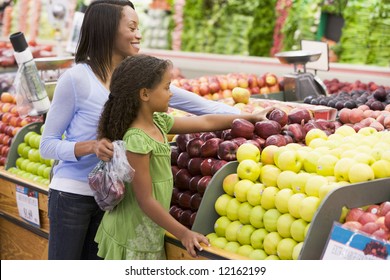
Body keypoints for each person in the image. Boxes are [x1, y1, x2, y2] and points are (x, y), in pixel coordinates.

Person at [40, 0, 239, 260]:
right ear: (107, 30)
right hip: (74, 196)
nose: (139, 34)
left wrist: (249, 118)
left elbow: (201, 108)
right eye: (132, 27)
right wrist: (90, 147)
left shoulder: (134, 78)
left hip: (115, 201)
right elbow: (48, 145)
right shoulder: (76, 79)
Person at [94, 54, 272, 260]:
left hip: (149, 227)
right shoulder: (137, 140)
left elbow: (205, 122)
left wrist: (250, 117)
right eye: (166, 87)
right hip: (133, 233)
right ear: (145, 94)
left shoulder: (158, 122)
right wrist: (183, 233)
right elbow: (145, 200)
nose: (170, 94)